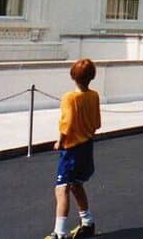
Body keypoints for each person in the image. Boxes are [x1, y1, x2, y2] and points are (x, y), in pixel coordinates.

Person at [45, 58, 100, 239]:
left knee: (61, 189)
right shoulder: (94, 95)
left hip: (72, 150)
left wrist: (59, 141)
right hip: (87, 147)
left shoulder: (69, 97)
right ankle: (87, 221)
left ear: (73, 76)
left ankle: (60, 232)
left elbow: (66, 123)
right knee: (77, 185)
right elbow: (96, 123)